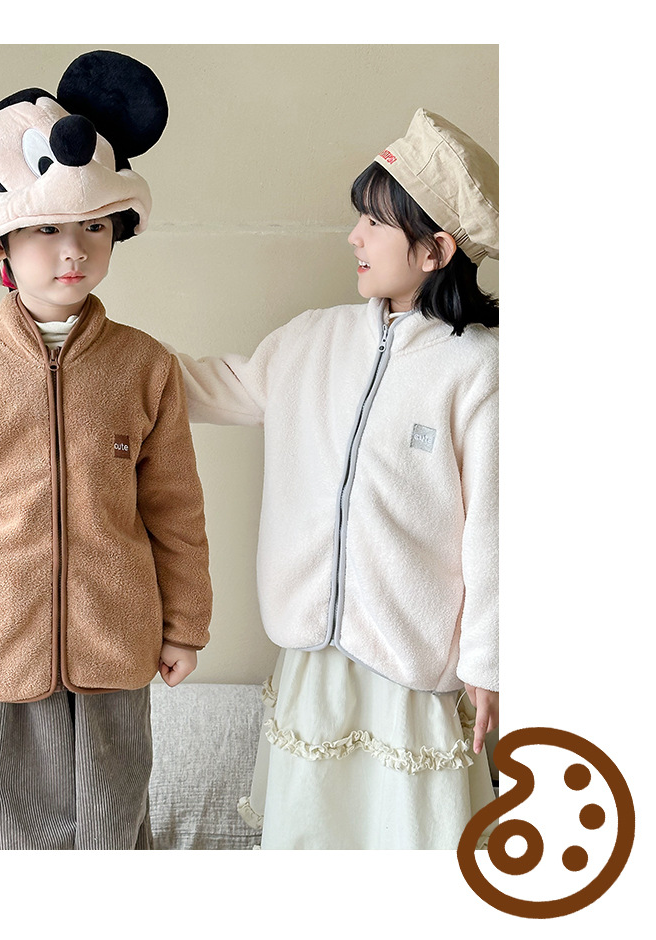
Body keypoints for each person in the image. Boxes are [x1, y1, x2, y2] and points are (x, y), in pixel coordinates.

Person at [0, 51, 212, 850]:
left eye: (93, 227)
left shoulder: (144, 365)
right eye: (46, 228)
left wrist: (185, 624)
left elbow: (175, 507)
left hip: (117, 644)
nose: (73, 249)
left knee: (114, 826)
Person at [172, 109, 498, 849]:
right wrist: (107, 354)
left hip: (412, 668)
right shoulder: (313, 338)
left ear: (435, 249)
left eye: (375, 223)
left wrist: (489, 662)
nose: (354, 236)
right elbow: (216, 385)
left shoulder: (479, 368)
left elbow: (496, 530)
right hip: (314, 661)